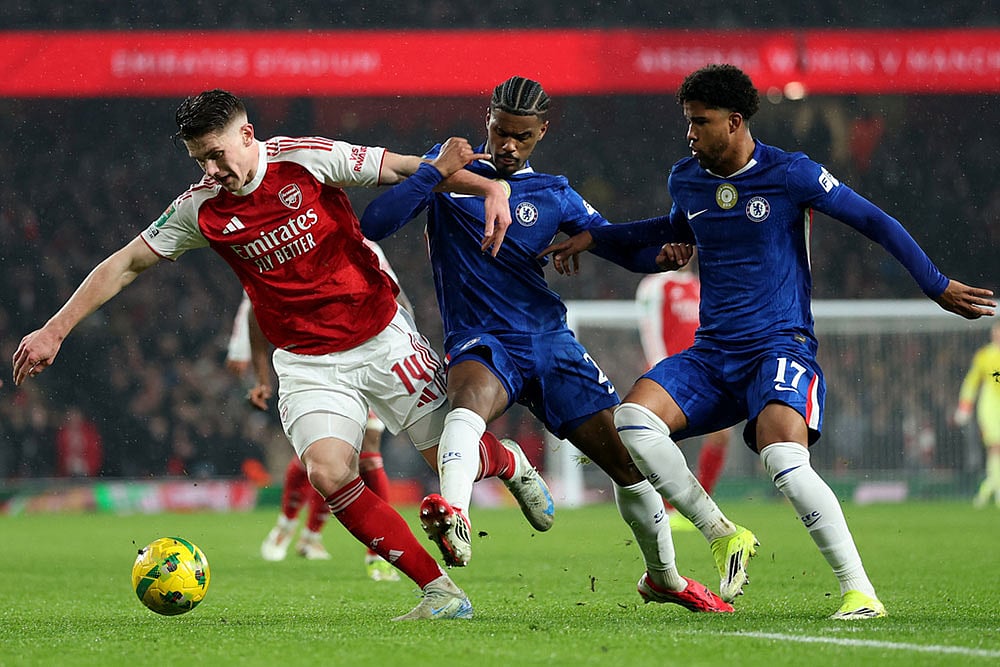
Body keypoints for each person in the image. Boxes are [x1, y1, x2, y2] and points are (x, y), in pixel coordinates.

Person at [11, 88, 536, 621]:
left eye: (218, 155)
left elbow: (411, 168)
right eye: (200, 161)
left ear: (247, 134)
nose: (212, 170)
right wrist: (55, 329)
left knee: (451, 462)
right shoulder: (200, 208)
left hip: (380, 336)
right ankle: (439, 591)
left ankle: (509, 461)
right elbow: (125, 263)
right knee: (328, 473)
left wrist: (491, 186)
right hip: (307, 361)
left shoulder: (304, 158)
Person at [539, 64, 996, 619]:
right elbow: (670, 229)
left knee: (784, 459)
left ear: (734, 122)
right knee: (633, 421)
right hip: (712, 355)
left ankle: (859, 592)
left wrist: (936, 283)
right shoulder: (687, 179)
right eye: (687, 122)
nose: (690, 134)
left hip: (779, 347)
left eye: (700, 123)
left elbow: (873, 221)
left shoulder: (791, 174)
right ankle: (721, 532)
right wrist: (596, 237)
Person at [362, 75, 758, 613]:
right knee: (467, 401)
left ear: (541, 132)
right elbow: (376, 223)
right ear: (488, 121)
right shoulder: (454, 173)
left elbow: (614, 243)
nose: (507, 145)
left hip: (550, 344)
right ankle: (453, 511)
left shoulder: (554, 192)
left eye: (521, 137)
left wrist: (657, 257)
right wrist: (435, 170)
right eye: (501, 131)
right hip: (483, 337)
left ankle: (664, 577)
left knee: (627, 465)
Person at [635, 263, 733, 532]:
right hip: (670, 373)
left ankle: (702, 503)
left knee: (722, 434)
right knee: (664, 441)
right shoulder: (655, 285)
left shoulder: (700, 286)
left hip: (703, 372)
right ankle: (665, 509)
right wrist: (660, 368)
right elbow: (650, 330)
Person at [954, 322, 1000, 508]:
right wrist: (965, 406)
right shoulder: (984, 355)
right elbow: (972, 382)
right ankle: (995, 492)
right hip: (990, 405)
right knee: (996, 447)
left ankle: (987, 490)